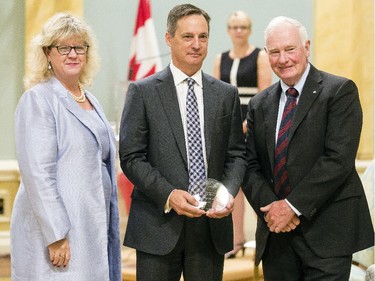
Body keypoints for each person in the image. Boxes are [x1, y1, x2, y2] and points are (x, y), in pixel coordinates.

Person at [119, 4, 247, 281]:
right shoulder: (143, 91)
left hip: (209, 228)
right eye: (188, 36)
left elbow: (237, 154)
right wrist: (168, 194)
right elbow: (131, 156)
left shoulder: (226, 94)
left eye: (203, 37)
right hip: (158, 224)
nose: (196, 44)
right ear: (169, 39)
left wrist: (227, 192)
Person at [242, 16, 374, 280]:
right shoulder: (259, 103)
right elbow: (249, 164)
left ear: (306, 47)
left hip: (327, 234)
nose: (283, 59)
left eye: (290, 49)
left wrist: (291, 206)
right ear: (266, 54)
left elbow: (337, 160)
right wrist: (273, 209)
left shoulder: (339, 91)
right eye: (275, 52)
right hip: (277, 236)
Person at [10, 12, 121, 281]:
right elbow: (38, 174)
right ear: (48, 53)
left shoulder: (90, 98)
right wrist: (56, 233)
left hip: (92, 224)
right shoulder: (38, 99)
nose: (73, 54)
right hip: (61, 232)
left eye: (79, 47)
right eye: (63, 47)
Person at [213, 10, 272, 258]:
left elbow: (264, 94)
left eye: (244, 27)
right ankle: (236, 238)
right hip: (227, 127)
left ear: (249, 29)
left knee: (252, 179)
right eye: (235, 27)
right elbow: (215, 95)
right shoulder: (220, 58)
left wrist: (245, 124)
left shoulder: (260, 56)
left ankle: (259, 237)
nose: (239, 31)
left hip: (252, 124)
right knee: (231, 183)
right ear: (228, 30)